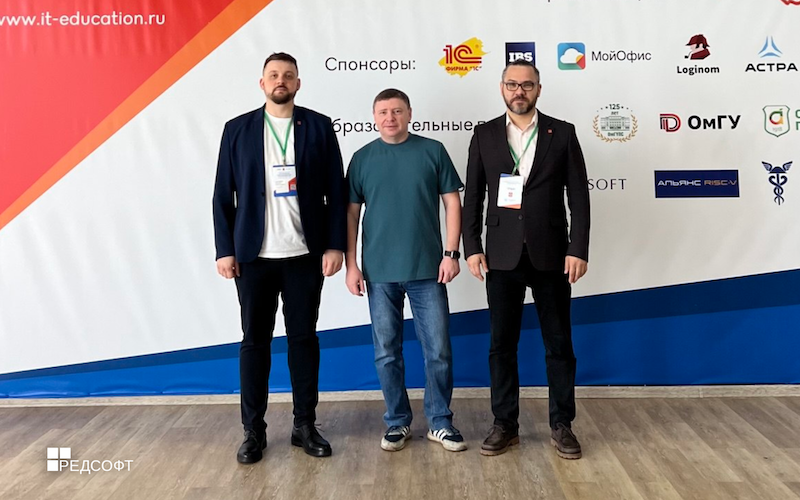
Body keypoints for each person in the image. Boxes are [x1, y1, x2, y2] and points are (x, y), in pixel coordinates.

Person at [212, 52, 347, 463]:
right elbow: (222, 195)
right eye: (273, 75)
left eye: (288, 75)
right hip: (253, 257)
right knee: (254, 342)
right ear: (262, 83)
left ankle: (304, 425)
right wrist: (225, 250)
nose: (280, 80)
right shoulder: (237, 129)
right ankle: (253, 431)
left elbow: (336, 192)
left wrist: (335, 245)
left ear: (298, 83)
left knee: (303, 340)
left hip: (305, 255)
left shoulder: (319, 126)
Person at [461, 59, 590, 459]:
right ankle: (505, 424)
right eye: (512, 84)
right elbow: (473, 196)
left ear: (538, 89)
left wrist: (578, 248)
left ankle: (562, 424)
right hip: (500, 256)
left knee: (559, 343)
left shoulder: (562, 133)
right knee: (501, 345)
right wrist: (472, 247)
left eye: (527, 85)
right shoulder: (484, 134)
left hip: (552, 254)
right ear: (502, 88)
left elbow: (579, 196)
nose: (520, 91)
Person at [345, 89, 467, 453]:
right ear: (374, 117)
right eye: (383, 112)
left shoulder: (433, 150)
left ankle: (440, 422)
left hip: (428, 270)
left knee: (439, 351)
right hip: (378, 273)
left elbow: (453, 203)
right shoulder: (362, 158)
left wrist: (451, 253)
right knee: (386, 352)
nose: (390, 117)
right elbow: (351, 215)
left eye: (397, 111)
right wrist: (351, 265)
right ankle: (397, 422)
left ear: (409, 113)